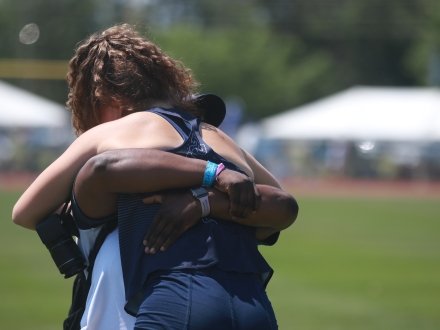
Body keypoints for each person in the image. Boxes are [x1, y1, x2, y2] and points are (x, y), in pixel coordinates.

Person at [12, 24, 298, 329]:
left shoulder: (107, 133)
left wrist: (208, 178)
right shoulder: (216, 135)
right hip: (253, 304)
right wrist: (208, 200)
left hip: (175, 300)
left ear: (104, 99)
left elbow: (25, 212)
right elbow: (276, 205)